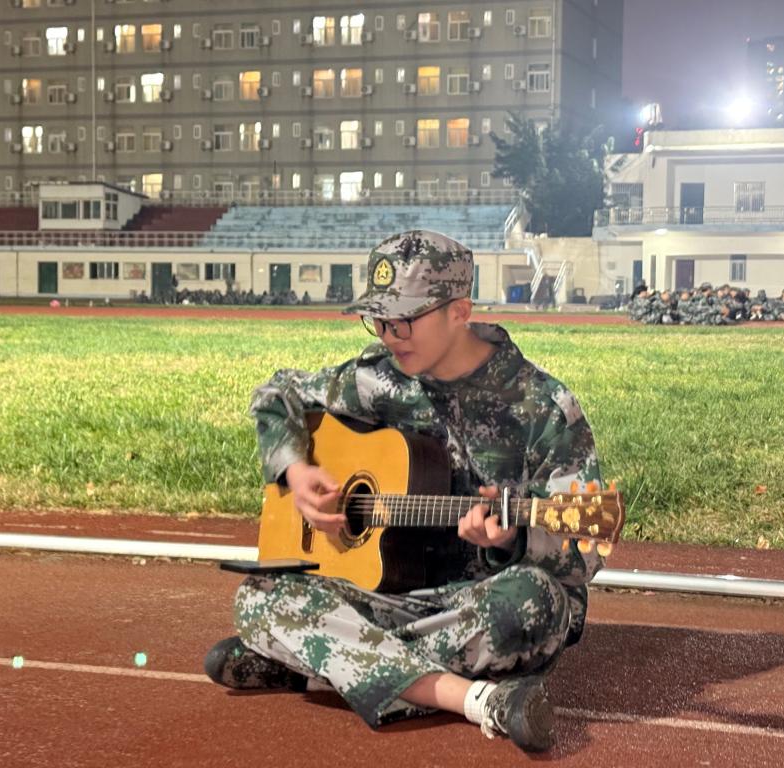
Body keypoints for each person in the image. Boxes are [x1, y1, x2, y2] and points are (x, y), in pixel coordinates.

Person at [204, 230, 605, 753]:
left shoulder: (541, 406)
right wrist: (296, 471)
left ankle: (319, 661)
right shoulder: (377, 380)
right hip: (391, 597)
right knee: (259, 597)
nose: (390, 335)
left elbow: (583, 553)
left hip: (478, 605)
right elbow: (277, 394)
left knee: (536, 603)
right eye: (379, 320)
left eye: (404, 320)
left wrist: (512, 541)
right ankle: (474, 698)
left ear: (459, 312)